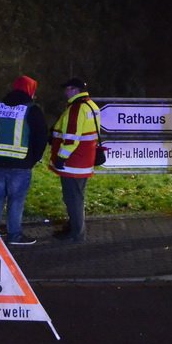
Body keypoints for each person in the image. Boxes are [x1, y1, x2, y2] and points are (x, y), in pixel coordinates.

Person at [0, 75, 48, 245]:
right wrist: (33, 159)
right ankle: (14, 235)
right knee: (16, 199)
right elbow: (41, 137)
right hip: (21, 162)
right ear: (30, 90)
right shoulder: (32, 109)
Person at [49, 77, 101, 243]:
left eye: (68, 88)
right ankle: (74, 228)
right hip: (84, 161)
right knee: (76, 197)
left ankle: (76, 234)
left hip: (72, 162)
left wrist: (60, 158)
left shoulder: (76, 108)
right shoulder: (91, 105)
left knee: (73, 199)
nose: (65, 92)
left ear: (74, 90)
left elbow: (71, 138)